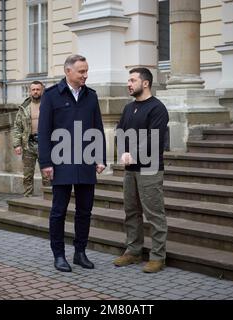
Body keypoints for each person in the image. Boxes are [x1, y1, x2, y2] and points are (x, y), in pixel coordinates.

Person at [38, 54, 107, 272]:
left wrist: (100, 157)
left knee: (84, 211)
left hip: (86, 161)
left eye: (86, 71)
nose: (85, 75)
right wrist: (46, 163)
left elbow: (98, 129)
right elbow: (44, 131)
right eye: (81, 72)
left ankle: (80, 253)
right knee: (59, 211)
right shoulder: (51, 96)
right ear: (68, 71)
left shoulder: (91, 96)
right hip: (61, 161)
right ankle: (59, 255)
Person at [113, 67, 169, 273]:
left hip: (150, 168)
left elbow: (154, 139)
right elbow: (120, 131)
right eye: (128, 80)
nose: (129, 84)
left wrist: (133, 153)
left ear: (145, 83)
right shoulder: (129, 108)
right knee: (131, 211)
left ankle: (157, 256)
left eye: (132, 80)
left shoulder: (157, 108)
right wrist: (123, 151)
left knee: (154, 213)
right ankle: (134, 251)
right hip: (131, 169)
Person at [12, 81, 50, 197]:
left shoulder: (48, 105)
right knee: (27, 175)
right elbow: (17, 127)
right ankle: (28, 198)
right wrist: (17, 144)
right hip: (28, 145)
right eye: (33, 89)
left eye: (38, 89)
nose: (35, 92)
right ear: (30, 91)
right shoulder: (24, 108)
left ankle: (49, 199)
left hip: (45, 145)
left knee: (47, 174)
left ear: (42, 90)